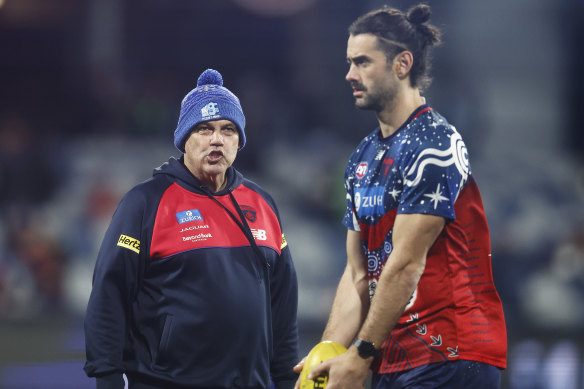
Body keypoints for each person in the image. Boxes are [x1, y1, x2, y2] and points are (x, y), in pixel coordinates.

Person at [294, 4, 507, 389]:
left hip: (451, 354)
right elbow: (359, 273)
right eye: (348, 62)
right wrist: (328, 351)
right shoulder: (362, 156)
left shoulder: (434, 143)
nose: (349, 75)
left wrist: (359, 354)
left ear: (402, 63)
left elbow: (407, 264)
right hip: (393, 354)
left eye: (361, 62)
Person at [84, 69, 299, 389]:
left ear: (239, 140)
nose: (216, 139)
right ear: (184, 137)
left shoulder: (262, 203)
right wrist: (108, 377)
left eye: (227, 129)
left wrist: (285, 379)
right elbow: (109, 295)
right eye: (204, 129)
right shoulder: (146, 203)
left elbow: (282, 305)